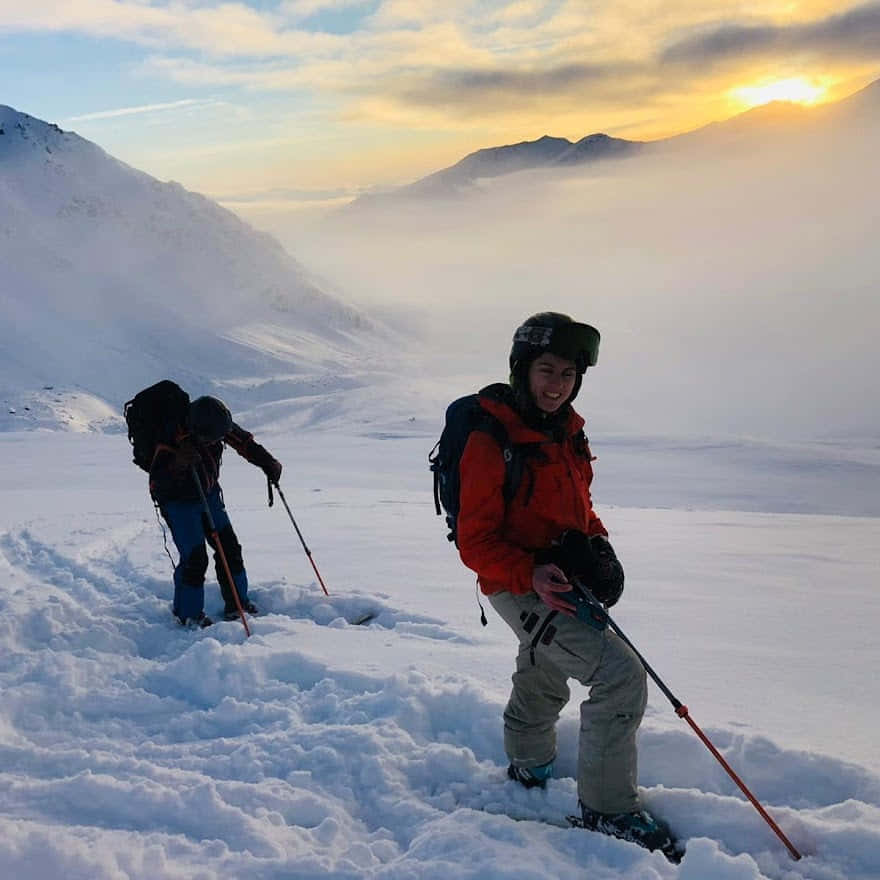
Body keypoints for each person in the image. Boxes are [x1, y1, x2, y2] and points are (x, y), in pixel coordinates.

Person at [456, 312, 676, 856]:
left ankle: (528, 763)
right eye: (547, 370)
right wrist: (529, 573)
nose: (557, 385)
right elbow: (473, 541)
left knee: (548, 660)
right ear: (522, 370)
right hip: (514, 580)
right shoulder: (490, 440)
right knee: (619, 674)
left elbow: (581, 507)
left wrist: (600, 548)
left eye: (568, 374)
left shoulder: (569, 431)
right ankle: (607, 811)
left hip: (561, 572)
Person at [149, 394, 282, 628]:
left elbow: (243, 442)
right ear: (198, 431)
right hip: (179, 503)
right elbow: (157, 483)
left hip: (208, 494)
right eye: (213, 439)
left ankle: (237, 604)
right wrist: (179, 462)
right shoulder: (170, 436)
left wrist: (267, 462)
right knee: (195, 558)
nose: (218, 442)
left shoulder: (215, 422)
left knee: (229, 547)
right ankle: (188, 614)